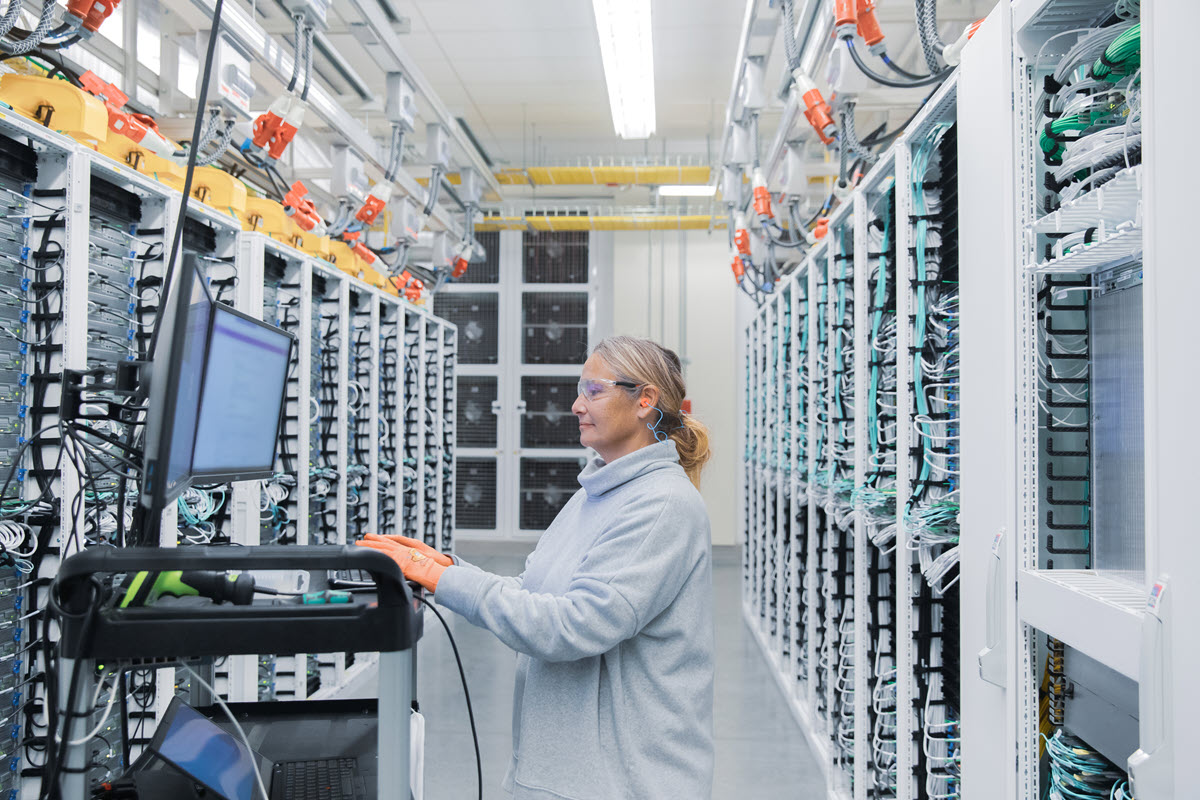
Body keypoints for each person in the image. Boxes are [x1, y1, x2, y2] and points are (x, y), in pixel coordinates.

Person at [358, 335, 715, 800]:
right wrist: (442, 566)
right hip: (568, 772)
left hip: (625, 780)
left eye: (593, 391)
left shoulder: (662, 506)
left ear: (644, 400)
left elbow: (571, 626)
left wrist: (444, 579)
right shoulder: (594, 494)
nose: (575, 405)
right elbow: (535, 591)